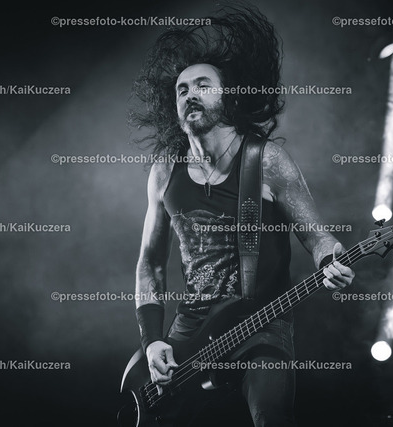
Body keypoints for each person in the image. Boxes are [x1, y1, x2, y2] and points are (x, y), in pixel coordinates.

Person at [130, 6, 354, 426]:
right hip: (189, 332)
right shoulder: (164, 171)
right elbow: (150, 263)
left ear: (228, 96)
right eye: (181, 90)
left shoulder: (265, 160)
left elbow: (317, 235)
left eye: (202, 85)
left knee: (270, 416)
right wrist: (152, 340)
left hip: (262, 324)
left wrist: (329, 258)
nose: (190, 94)